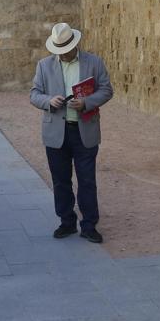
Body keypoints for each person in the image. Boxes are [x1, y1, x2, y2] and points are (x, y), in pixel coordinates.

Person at [29, 22, 114, 244]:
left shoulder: (94, 62)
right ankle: (66, 222)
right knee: (60, 180)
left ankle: (89, 225)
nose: (62, 54)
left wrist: (86, 102)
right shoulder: (44, 65)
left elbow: (106, 89)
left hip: (84, 130)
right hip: (56, 131)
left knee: (87, 180)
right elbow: (34, 94)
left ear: (74, 44)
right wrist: (49, 101)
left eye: (65, 49)